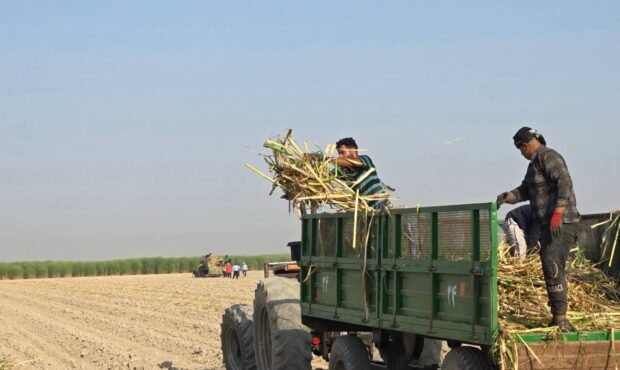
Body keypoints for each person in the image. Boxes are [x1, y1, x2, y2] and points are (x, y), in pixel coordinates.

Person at [497, 127, 581, 332]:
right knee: (549, 263)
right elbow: (525, 190)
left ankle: (561, 319)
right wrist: (509, 196)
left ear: (525, 145)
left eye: (520, 149)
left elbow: (565, 183)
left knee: (552, 264)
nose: (520, 153)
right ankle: (558, 316)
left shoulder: (548, 157)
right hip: (550, 224)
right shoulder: (533, 166)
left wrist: (558, 213)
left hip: (563, 223)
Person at [333, 137, 390, 209]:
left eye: (342, 152)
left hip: (382, 206)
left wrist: (331, 160)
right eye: (339, 153)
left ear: (353, 150)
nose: (340, 156)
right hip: (367, 211)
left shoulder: (365, 159)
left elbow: (355, 163)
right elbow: (328, 175)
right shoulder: (344, 171)